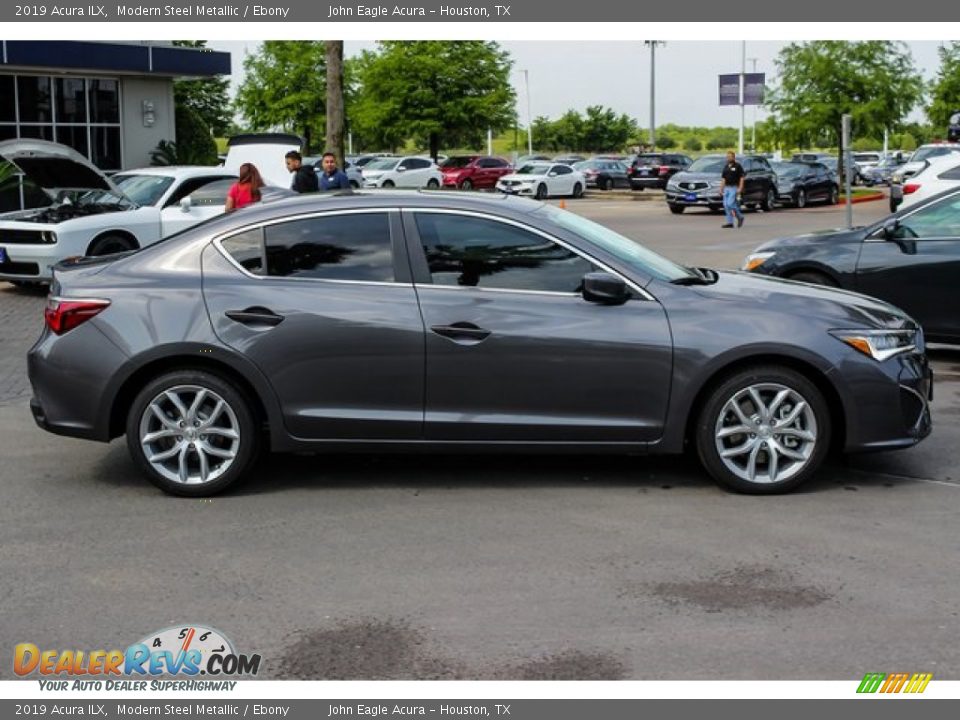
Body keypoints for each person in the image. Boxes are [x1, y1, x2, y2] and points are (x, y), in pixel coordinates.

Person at [720, 150, 745, 228]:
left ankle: (740, 216)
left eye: (730, 156)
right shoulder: (726, 167)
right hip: (726, 188)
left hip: (734, 187)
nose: (728, 158)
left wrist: (740, 188)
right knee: (726, 205)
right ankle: (730, 222)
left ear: (734, 157)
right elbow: (724, 179)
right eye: (727, 157)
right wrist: (721, 189)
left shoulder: (738, 166)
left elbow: (742, 178)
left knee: (730, 204)